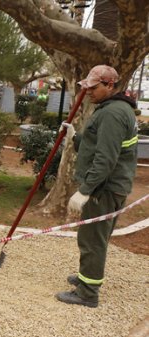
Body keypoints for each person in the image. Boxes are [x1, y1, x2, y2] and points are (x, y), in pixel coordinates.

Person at [56, 65, 138, 308]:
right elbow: (98, 145)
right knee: (93, 236)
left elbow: (105, 159)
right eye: (87, 87)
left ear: (110, 85)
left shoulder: (112, 114)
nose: (88, 91)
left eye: (93, 87)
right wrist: (75, 137)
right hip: (112, 186)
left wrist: (85, 190)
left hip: (104, 188)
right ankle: (86, 278)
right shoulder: (115, 109)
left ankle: (87, 293)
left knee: (92, 239)